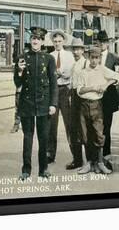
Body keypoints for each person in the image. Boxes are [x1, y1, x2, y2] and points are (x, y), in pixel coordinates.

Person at [13, 27, 58, 180]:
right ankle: (26, 170)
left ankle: (43, 169)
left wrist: (53, 104)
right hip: (27, 104)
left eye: (38, 39)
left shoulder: (49, 59)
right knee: (27, 138)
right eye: (33, 38)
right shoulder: (22, 58)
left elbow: (53, 84)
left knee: (43, 139)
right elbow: (17, 83)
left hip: (44, 105)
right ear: (30, 40)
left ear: (42, 41)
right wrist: (19, 71)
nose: (35, 41)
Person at [74, 47, 119, 174]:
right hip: (84, 105)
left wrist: (105, 85)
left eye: (97, 58)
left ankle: (100, 163)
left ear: (100, 59)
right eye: (92, 58)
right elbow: (80, 90)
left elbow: (117, 76)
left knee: (99, 134)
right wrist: (94, 88)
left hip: (97, 105)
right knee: (85, 135)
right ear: (88, 58)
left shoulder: (103, 70)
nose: (94, 61)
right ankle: (89, 163)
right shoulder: (83, 72)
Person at [46, 30, 75, 165]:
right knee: (52, 124)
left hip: (65, 90)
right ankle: (50, 154)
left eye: (59, 41)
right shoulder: (50, 56)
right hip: (54, 91)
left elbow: (71, 72)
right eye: (55, 41)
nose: (57, 43)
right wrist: (55, 75)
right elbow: (48, 75)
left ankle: (75, 154)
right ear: (53, 42)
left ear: (63, 41)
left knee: (70, 123)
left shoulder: (69, 56)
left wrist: (61, 73)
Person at [96, 30, 119, 160]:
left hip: (108, 96)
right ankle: (96, 154)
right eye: (99, 42)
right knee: (95, 126)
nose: (101, 44)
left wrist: (106, 84)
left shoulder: (114, 58)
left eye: (104, 42)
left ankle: (106, 154)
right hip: (94, 96)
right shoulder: (93, 57)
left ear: (108, 43)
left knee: (107, 126)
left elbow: (118, 77)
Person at [66, 37, 87, 170]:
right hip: (73, 96)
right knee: (74, 130)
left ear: (83, 50)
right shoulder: (74, 64)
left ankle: (90, 161)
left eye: (78, 49)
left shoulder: (86, 63)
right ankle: (77, 159)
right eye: (74, 49)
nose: (76, 52)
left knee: (84, 130)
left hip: (83, 98)